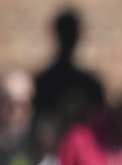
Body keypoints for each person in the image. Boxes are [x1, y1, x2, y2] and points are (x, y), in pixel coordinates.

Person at [33, 9, 106, 138]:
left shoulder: (91, 85)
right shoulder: (43, 83)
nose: (70, 37)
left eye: (72, 33)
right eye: (66, 32)